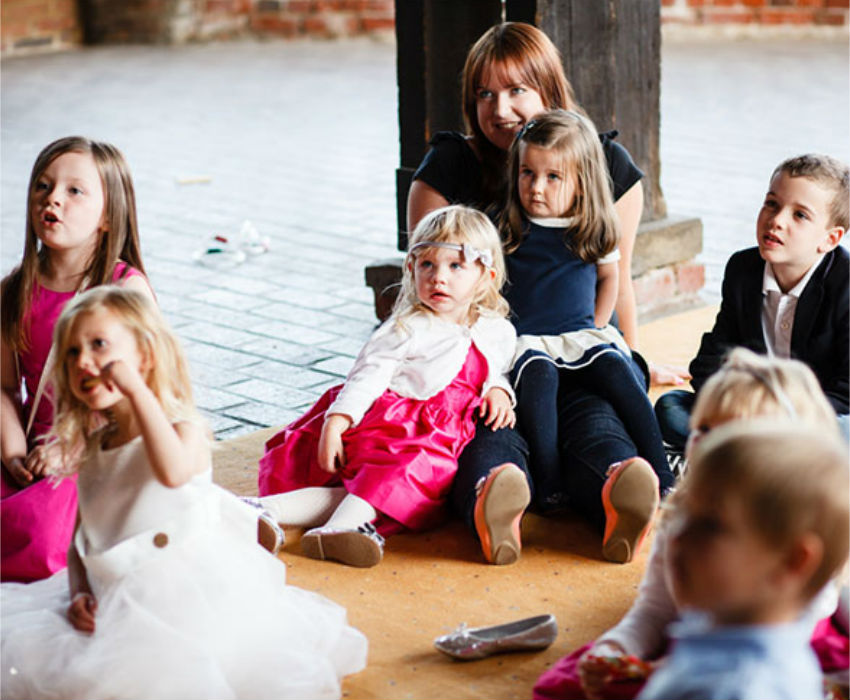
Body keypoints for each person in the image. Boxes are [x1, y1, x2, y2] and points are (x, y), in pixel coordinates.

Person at [406, 22, 685, 567]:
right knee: (491, 431)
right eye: (484, 94)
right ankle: (496, 491)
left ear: (549, 92)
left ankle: (618, 484)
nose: (499, 109)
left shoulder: (604, 166)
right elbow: (428, 294)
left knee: (595, 417)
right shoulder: (448, 169)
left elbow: (614, 275)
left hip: (574, 342)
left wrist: (628, 354)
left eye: (516, 90)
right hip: (482, 355)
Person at [0, 287, 367, 700]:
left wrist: (138, 392)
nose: (83, 361)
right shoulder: (95, 446)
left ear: (146, 356)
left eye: (98, 345)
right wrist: (80, 590)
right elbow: (82, 537)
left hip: (182, 594)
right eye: (71, 352)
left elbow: (172, 472)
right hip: (111, 591)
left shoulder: (182, 430)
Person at [534, 348, 848, 700]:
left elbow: (797, 624)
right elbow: (654, 609)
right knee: (568, 680)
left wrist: (674, 669)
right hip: (705, 637)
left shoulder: (789, 535)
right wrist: (613, 649)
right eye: (702, 428)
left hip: (788, 636)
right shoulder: (685, 512)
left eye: (732, 440)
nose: (702, 444)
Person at [256, 206, 517, 568]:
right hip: (393, 424)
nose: (438, 277)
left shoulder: (496, 329)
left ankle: (261, 511)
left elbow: (495, 367)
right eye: (427, 265)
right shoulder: (407, 327)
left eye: (455, 266)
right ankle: (340, 531)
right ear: (411, 269)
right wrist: (337, 421)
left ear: (485, 277)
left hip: (438, 436)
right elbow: (367, 375)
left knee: (369, 492)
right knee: (394, 477)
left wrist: (498, 389)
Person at [501, 110, 673, 560]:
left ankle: (661, 468)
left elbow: (609, 279)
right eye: (527, 174)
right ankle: (550, 484)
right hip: (530, 341)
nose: (536, 188)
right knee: (537, 389)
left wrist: (599, 325)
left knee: (619, 373)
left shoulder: (590, 227)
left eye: (552, 177)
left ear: (580, 181)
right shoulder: (511, 229)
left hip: (581, 334)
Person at [0, 136, 153, 582]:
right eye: (43, 186)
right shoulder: (13, 291)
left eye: (74, 191)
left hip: (98, 447)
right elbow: (4, 388)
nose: (53, 200)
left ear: (108, 216)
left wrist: (69, 447)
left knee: (39, 531)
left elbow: (145, 395)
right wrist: (12, 453)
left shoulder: (126, 291)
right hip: (29, 444)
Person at [637, 422, 849, 700]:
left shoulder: (740, 688)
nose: (677, 537)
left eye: (711, 526)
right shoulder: (723, 626)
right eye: (682, 513)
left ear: (792, 561)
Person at [655, 153, 849, 453]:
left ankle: (746, 453)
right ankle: (759, 454)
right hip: (749, 412)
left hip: (813, 417)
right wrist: (742, 407)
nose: (776, 220)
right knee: (670, 407)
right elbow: (710, 361)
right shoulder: (742, 269)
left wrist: (781, 416)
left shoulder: (845, 285)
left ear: (830, 238)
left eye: (800, 215)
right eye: (772, 203)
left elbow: (846, 393)